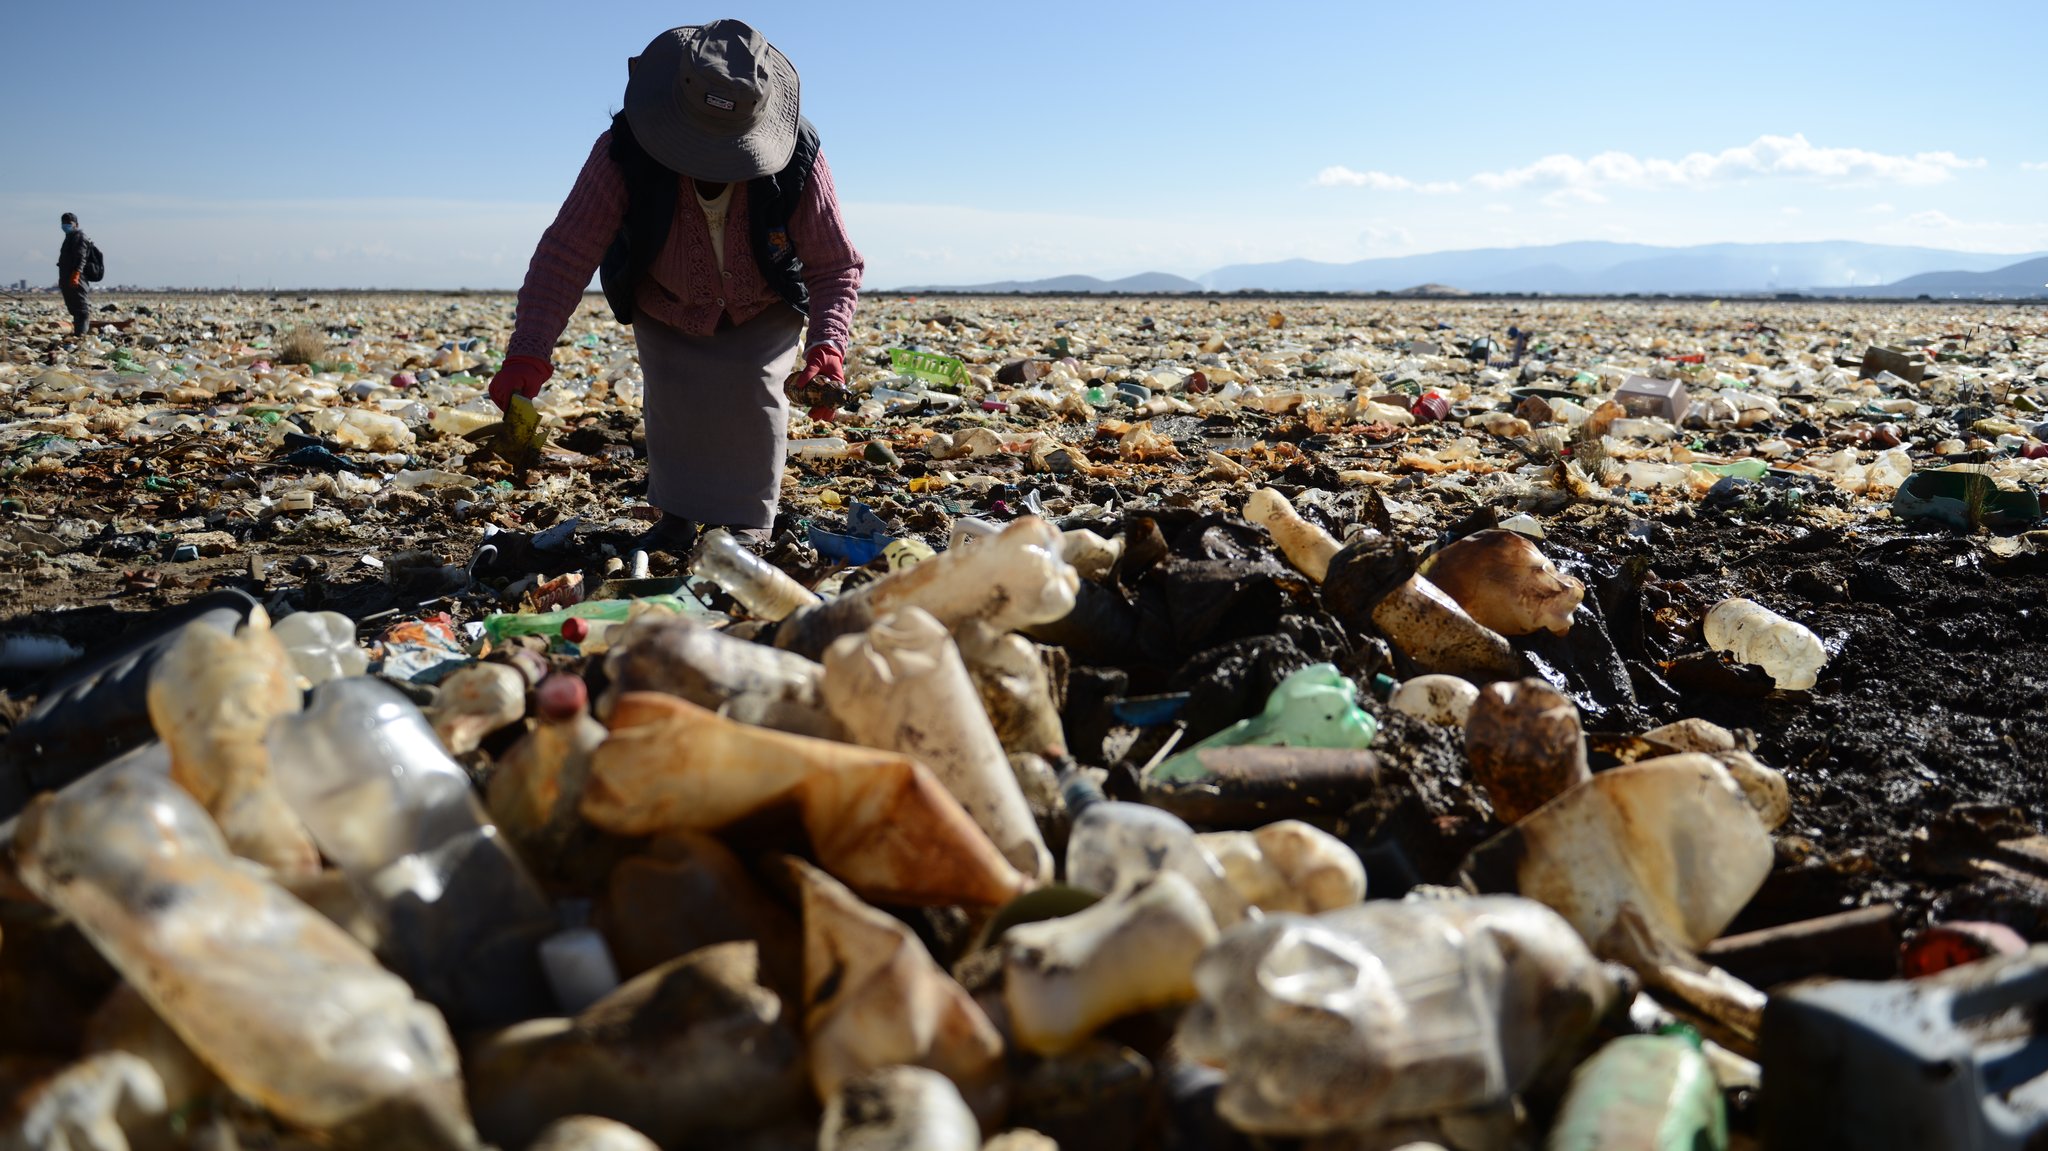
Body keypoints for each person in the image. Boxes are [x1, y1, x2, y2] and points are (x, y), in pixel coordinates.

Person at [489, 19, 863, 553]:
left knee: (756, 397)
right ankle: (677, 518)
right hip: (664, 296)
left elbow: (835, 263)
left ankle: (748, 526)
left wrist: (828, 346)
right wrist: (528, 353)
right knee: (674, 404)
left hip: (763, 297)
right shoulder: (626, 149)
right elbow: (566, 252)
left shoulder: (799, 155)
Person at [57, 213, 91, 338]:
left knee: (81, 309)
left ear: (76, 224)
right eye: (63, 223)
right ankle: (78, 333)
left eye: (68, 223)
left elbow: (81, 258)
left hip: (76, 277)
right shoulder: (69, 237)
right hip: (67, 277)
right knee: (74, 308)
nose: (65, 226)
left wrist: (76, 275)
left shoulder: (79, 236)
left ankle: (81, 336)